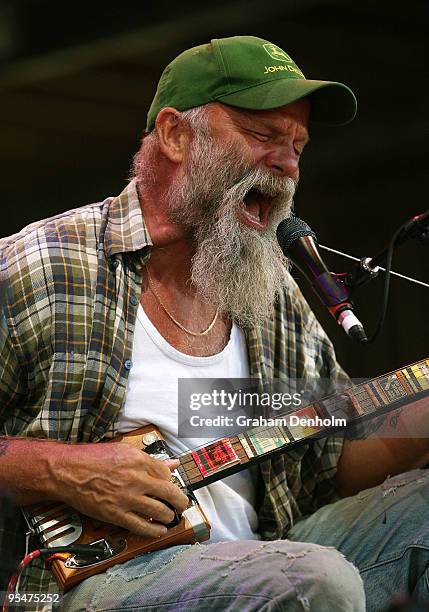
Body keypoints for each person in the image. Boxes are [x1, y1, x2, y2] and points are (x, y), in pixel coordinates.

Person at [0, 35, 428, 612]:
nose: (288, 164)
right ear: (176, 135)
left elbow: (334, 465)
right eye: (265, 135)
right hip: (97, 580)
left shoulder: (272, 293)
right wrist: (61, 469)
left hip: (275, 552)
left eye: (298, 145)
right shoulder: (45, 265)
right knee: (314, 580)